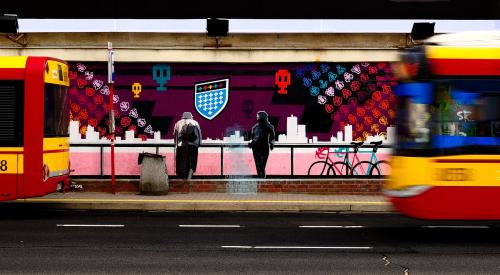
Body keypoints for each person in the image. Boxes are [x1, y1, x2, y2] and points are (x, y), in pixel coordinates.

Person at [173, 112, 201, 179]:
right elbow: (198, 136)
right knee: (192, 161)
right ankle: (190, 174)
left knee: (181, 161)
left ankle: (181, 177)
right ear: (191, 116)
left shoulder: (178, 123)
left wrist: (176, 144)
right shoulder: (195, 123)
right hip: (192, 146)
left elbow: (175, 135)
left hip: (181, 146)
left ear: (183, 116)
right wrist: (198, 145)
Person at [248, 111, 275, 178]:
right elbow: (272, 136)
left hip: (259, 148)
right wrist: (271, 143)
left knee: (260, 166)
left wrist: (251, 144)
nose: (257, 117)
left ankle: (261, 181)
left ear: (262, 117)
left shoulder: (256, 128)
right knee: (261, 166)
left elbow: (255, 138)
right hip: (262, 149)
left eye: (258, 116)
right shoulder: (268, 126)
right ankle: (262, 180)